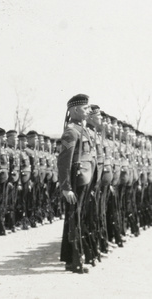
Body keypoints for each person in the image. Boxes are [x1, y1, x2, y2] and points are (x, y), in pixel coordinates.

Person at [58, 93, 93, 274]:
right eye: (85, 108)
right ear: (75, 110)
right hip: (75, 182)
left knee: (76, 220)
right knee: (74, 221)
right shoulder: (71, 131)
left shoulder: (82, 130)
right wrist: (66, 188)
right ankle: (76, 261)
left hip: (84, 181)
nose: (88, 111)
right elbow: (64, 162)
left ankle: (70, 259)